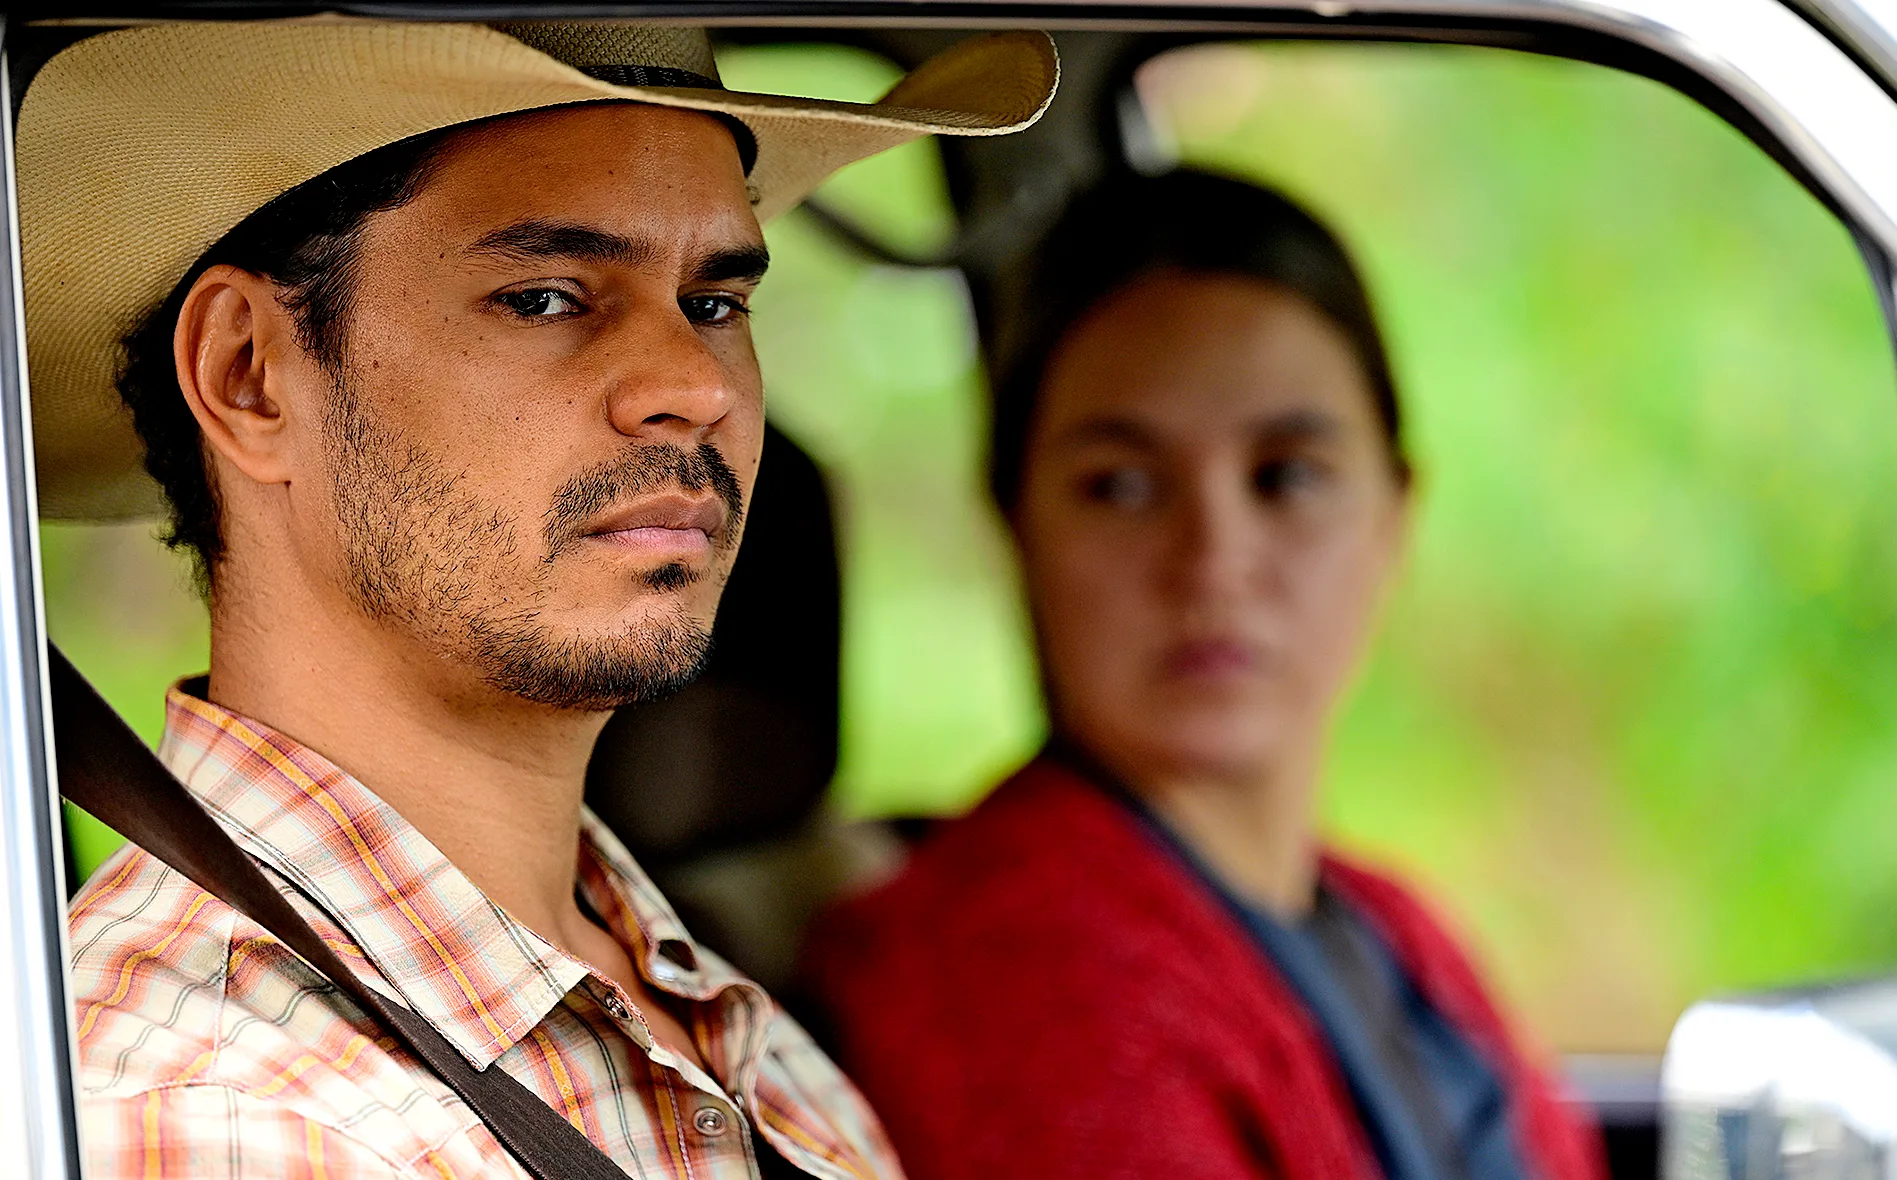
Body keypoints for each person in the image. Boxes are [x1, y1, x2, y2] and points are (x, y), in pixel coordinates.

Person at [28, 20, 1054, 1179]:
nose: (695, 386)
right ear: (250, 374)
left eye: (716, 302)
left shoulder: (716, 1022)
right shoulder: (223, 1115)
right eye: (548, 297)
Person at [803, 170, 1607, 1180]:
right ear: (1015, 525)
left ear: (1393, 517)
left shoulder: (1387, 928)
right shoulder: (1026, 977)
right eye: (1123, 486)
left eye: (1288, 475)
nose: (1214, 559)